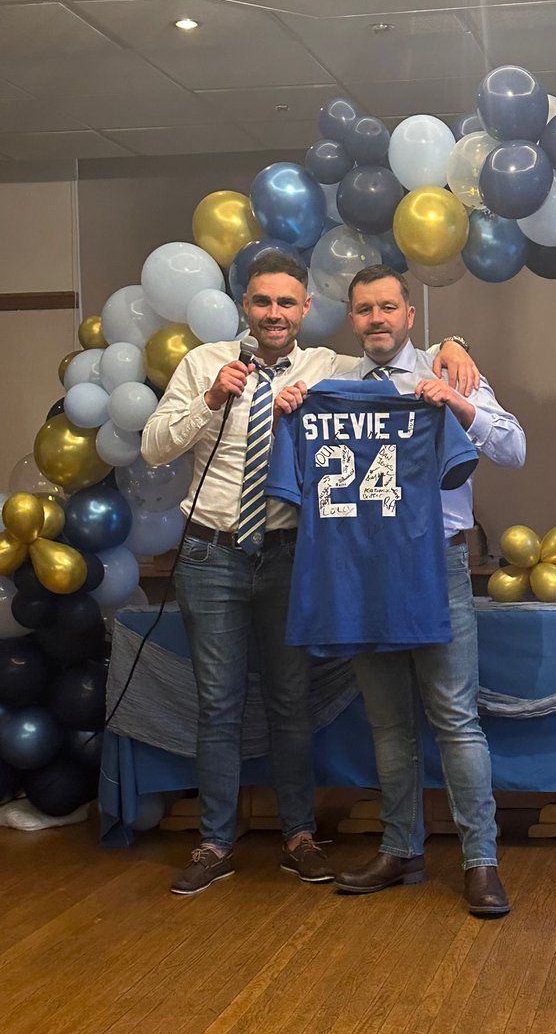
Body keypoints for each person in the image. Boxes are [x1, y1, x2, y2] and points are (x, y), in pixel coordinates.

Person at [141, 250, 478, 895]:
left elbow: (394, 361)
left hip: (293, 554)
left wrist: (456, 344)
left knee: (289, 701)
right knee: (219, 703)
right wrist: (211, 401)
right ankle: (214, 843)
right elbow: (155, 446)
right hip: (212, 552)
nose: (275, 314)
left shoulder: (331, 367)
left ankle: (298, 835)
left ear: (304, 311)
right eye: (263, 302)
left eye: (287, 303)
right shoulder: (203, 364)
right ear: (246, 305)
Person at [331, 264, 526, 917]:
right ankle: (401, 850)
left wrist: (460, 402)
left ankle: (480, 863)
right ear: (352, 319)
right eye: (365, 310)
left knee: (454, 720)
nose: (377, 319)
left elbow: (514, 449)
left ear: (410, 316)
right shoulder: (337, 385)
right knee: (387, 723)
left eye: (388, 307)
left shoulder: (448, 373)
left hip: (433, 563)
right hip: (364, 569)